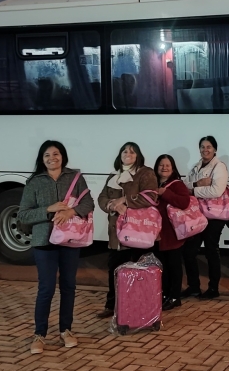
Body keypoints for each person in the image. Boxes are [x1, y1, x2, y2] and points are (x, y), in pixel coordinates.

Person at [18, 140, 94, 354]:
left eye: (56, 154)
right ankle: (39, 334)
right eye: (47, 155)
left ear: (63, 156)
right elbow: (23, 214)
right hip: (44, 242)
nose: (52, 158)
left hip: (70, 240)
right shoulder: (34, 182)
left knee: (69, 286)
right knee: (46, 288)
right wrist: (48, 209)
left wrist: (71, 212)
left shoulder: (75, 177)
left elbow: (88, 203)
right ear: (42, 160)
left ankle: (66, 330)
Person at [96, 142, 159, 319]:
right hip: (117, 233)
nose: (128, 154)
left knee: (140, 271)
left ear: (138, 155)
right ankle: (112, 305)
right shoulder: (113, 176)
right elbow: (102, 198)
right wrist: (111, 205)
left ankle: (140, 307)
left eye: (132, 151)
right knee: (114, 269)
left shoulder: (145, 173)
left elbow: (151, 197)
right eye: (125, 151)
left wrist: (125, 200)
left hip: (139, 231)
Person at [182, 136, 229, 300]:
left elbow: (216, 191)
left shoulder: (219, 166)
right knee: (189, 251)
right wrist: (198, 184)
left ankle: (213, 289)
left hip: (215, 216)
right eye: (202, 147)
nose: (205, 150)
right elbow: (185, 185)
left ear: (215, 149)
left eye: (209, 147)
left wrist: (194, 190)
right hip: (198, 214)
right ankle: (193, 287)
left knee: (211, 250)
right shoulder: (196, 166)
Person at [153, 154, 191, 311]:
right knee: (163, 266)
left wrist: (164, 193)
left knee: (174, 266)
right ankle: (165, 294)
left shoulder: (177, 184)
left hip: (173, 233)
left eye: (168, 165)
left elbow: (184, 202)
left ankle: (175, 296)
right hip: (157, 233)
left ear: (173, 167)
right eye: (161, 165)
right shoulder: (153, 183)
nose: (164, 167)